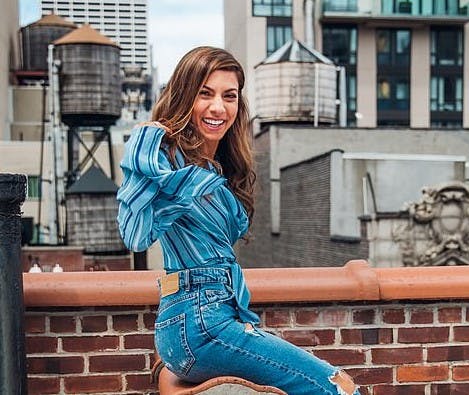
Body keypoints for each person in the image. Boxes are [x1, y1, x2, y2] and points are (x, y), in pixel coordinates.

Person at [117, 46, 359, 395]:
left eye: (229, 96)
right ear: (184, 96)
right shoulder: (163, 153)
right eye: (205, 93)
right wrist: (160, 152)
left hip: (215, 316)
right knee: (338, 389)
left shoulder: (222, 167)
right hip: (198, 323)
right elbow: (135, 235)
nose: (218, 107)